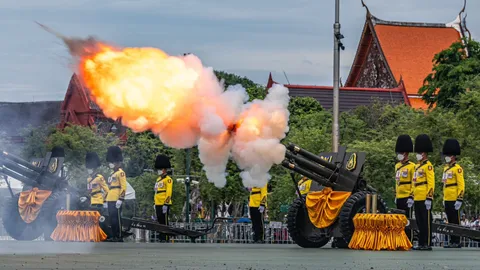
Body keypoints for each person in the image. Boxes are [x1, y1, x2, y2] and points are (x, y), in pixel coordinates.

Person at [411, 134, 435, 251]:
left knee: (426, 222)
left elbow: (431, 183)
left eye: (419, 153)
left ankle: (427, 242)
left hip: (425, 197)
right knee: (420, 222)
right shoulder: (416, 167)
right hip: (417, 197)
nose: (417, 155)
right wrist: (412, 195)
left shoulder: (428, 166)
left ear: (424, 154)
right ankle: (421, 242)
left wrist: (429, 197)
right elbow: (413, 182)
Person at [442, 138, 465, 248]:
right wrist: (444, 198)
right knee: (449, 221)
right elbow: (445, 185)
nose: (446, 157)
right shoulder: (446, 168)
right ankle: (452, 240)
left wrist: (459, 199)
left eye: (448, 155)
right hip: (447, 198)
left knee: (455, 220)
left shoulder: (458, 169)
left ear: (453, 156)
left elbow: (461, 185)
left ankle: (457, 240)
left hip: (454, 198)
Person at [394, 134, 415, 243]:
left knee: (408, 220)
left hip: (407, 196)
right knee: (399, 220)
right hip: (399, 195)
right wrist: (396, 195)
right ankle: (400, 240)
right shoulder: (397, 166)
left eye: (401, 153)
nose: (399, 155)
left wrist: (412, 196)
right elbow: (397, 182)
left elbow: (414, 182)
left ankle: (409, 240)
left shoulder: (412, 166)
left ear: (406, 153)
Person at [105, 146, 127, 242]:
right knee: (112, 219)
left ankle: (119, 236)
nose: (111, 164)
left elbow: (123, 187)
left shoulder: (120, 173)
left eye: (113, 162)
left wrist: (121, 199)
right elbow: (109, 188)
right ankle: (114, 235)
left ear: (117, 162)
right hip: (110, 198)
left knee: (117, 218)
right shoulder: (112, 174)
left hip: (116, 198)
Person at [153, 154, 173, 242]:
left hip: (164, 203)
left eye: (160, 169)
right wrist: (155, 203)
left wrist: (166, 203)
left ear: (164, 169)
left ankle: (165, 237)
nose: (159, 171)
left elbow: (168, 192)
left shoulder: (168, 179)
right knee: (160, 221)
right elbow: (156, 192)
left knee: (164, 221)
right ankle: (161, 236)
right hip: (158, 203)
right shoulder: (158, 180)